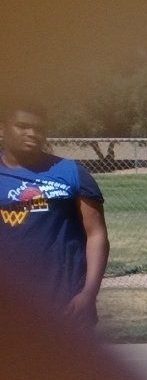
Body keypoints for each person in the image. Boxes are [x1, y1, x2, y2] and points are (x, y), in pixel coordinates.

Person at [0, 102, 109, 326]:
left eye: (39, 128)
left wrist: (89, 294)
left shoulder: (71, 173)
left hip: (63, 301)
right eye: (22, 126)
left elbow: (96, 235)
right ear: (2, 129)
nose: (32, 133)